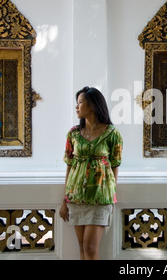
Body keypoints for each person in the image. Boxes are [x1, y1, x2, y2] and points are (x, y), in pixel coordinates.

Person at [59, 86, 123, 260]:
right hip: (76, 196)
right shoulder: (73, 133)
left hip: (100, 197)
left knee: (90, 246)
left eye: (80, 102)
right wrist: (64, 200)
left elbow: (115, 164)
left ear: (93, 105)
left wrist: (111, 195)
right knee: (82, 248)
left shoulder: (112, 134)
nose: (76, 107)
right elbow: (69, 165)